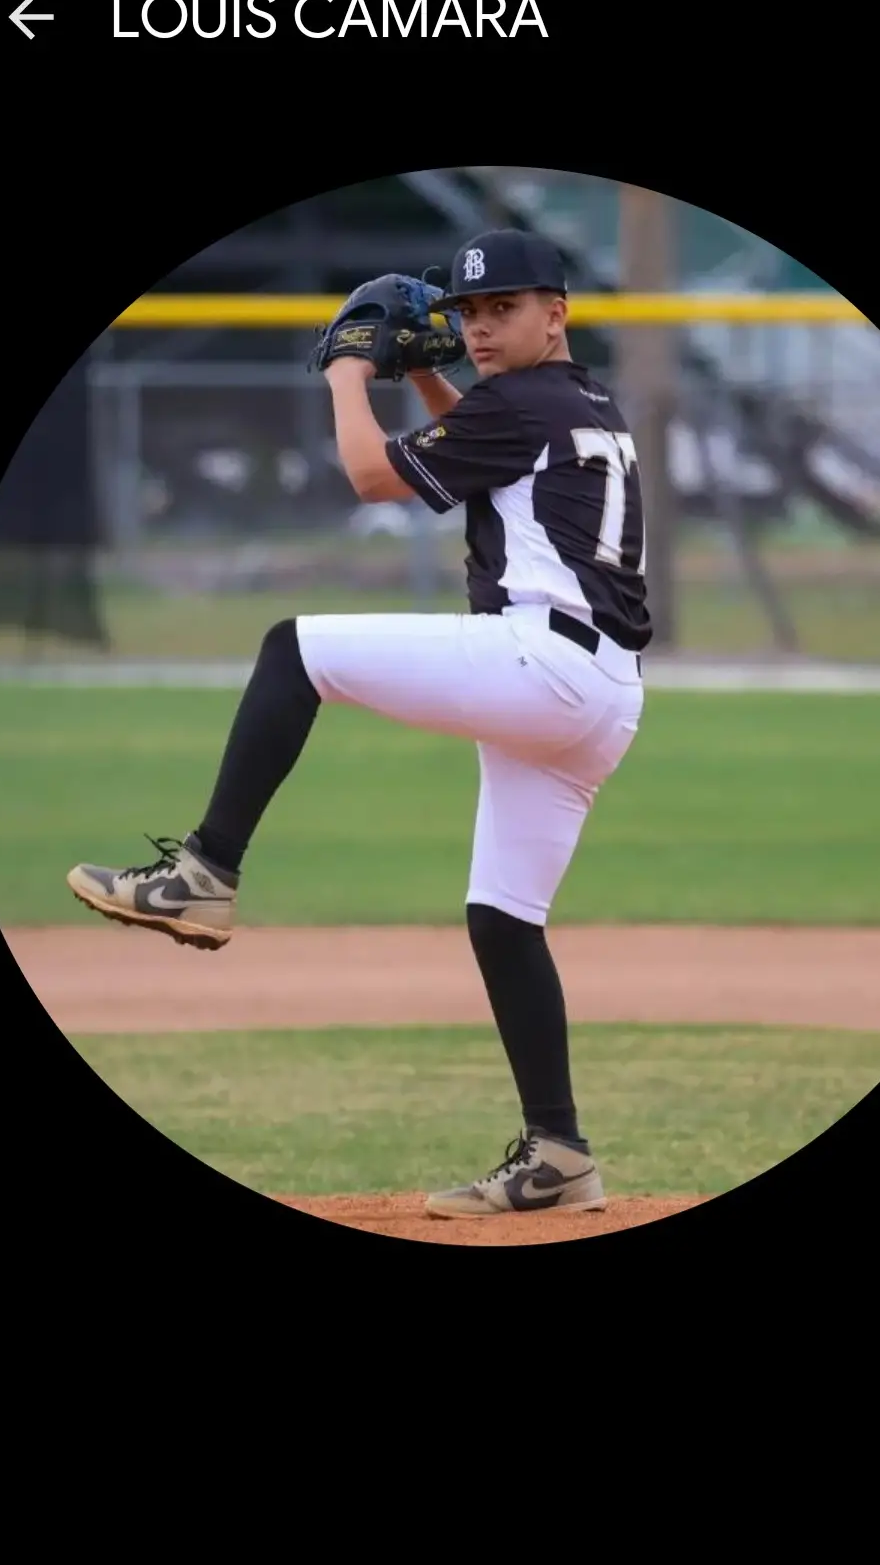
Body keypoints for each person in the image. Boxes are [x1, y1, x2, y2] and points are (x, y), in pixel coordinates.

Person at [67, 227, 651, 1219]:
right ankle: (560, 1155)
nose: (479, 327)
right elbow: (484, 459)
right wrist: (422, 379)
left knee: (295, 650)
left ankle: (203, 874)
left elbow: (374, 477)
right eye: (467, 313)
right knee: (503, 918)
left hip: (541, 664)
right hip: (602, 696)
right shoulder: (579, 401)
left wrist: (347, 370)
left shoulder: (519, 403)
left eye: (502, 309)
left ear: (555, 313)